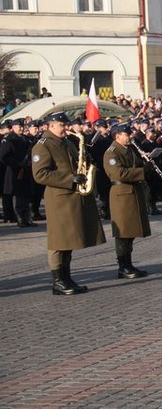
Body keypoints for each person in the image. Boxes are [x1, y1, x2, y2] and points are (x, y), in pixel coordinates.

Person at [31, 111, 106, 295]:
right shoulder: (43, 146)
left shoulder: (67, 142)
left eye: (66, 125)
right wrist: (70, 178)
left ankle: (66, 277)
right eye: (61, 125)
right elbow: (40, 174)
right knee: (58, 240)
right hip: (58, 198)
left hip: (72, 197)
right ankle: (58, 280)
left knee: (69, 239)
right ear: (49, 126)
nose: (65, 128)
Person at [103, 122, 151, 279]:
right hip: (121, 193)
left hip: (133, 192)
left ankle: (128, 264)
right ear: (117, 136)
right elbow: (119, 173)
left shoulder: (128, 150)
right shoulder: (112, 153)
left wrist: (146, 163)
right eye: (126, 134)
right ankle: (123, 266)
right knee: (123, 232)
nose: (130, 136)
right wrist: (141, 171)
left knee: (131, 231)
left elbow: (135, 166)